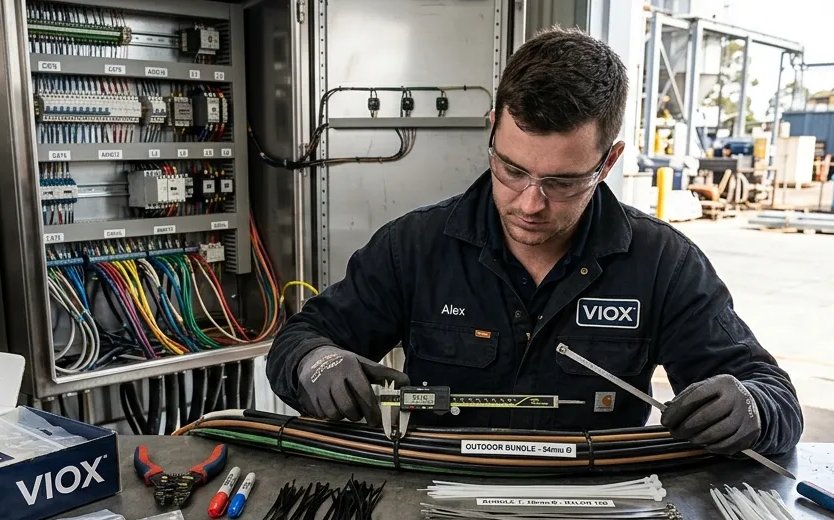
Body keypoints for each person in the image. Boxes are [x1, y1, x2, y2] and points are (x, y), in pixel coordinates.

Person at [266, 27, 802, 457]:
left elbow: (773, 393)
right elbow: (303, 337)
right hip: (434, 504)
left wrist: (753, 407)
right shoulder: (415, 247)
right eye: (512, 168)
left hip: (598, 515)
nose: (529, 203)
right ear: (492, 130)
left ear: (608, 161)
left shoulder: (661, 262)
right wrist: (314, 363)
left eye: (563, 182)